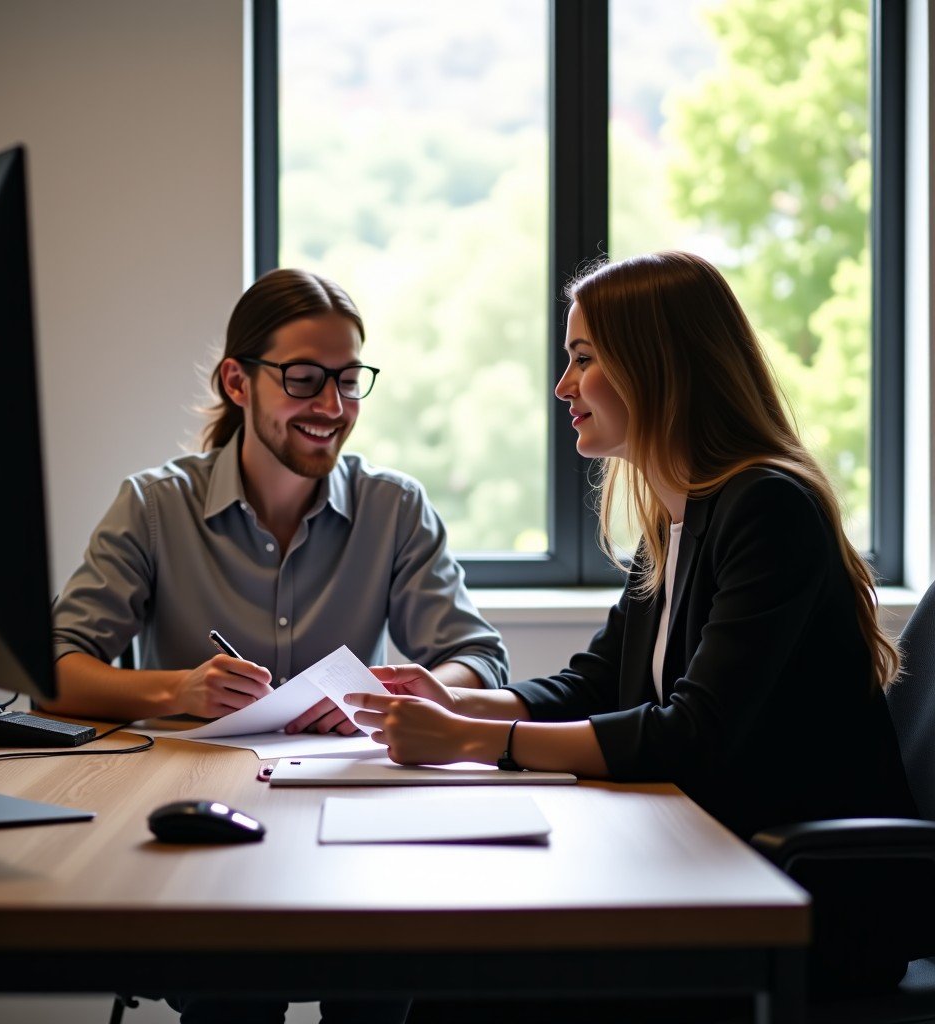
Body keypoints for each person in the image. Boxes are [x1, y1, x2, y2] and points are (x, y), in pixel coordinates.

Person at [347, 251, 923, 1016]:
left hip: (800, 905)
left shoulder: (767, 509)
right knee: (455, 962)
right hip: (705, 861)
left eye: (583, 359)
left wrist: (472, 743)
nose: (563, 388)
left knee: (467, 983)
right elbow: (593, 683)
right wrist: (464, 710)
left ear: (659, 366)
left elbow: (693, 733)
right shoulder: (679, 515)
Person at [46, 267, 509, 1024]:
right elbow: (54, 671)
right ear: (239, 381)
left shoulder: (394, 506)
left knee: (379, 987)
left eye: (350, 380)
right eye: (303, 380)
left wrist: (401, 688)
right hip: (204, 832)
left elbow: (478, 660)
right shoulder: (155, 505)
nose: (332, 407)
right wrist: (179, 692)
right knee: (232, 994)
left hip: (351, 831)